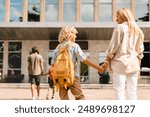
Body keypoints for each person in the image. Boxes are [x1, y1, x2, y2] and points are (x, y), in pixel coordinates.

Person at [51, 26, 104, 100]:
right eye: (74, 34)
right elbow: (84, 59)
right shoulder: (74, 46)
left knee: (63, 98)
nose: (75, 36)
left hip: (60, 77)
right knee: (80, 97)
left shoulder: (57, 48)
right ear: (70, 34)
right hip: (73, 76)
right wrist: (98, 67)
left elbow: (52, 66)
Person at [103, 8, 144, 100]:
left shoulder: (119, 27)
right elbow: (140, 52)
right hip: (134, 65)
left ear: (123, 16)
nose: (116, 19)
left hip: (120, 64)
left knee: (119, 91)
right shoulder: (138, 30)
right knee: (132, 93)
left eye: (117, 16)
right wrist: (138, 69)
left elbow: (113, 47)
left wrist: (107, 61)